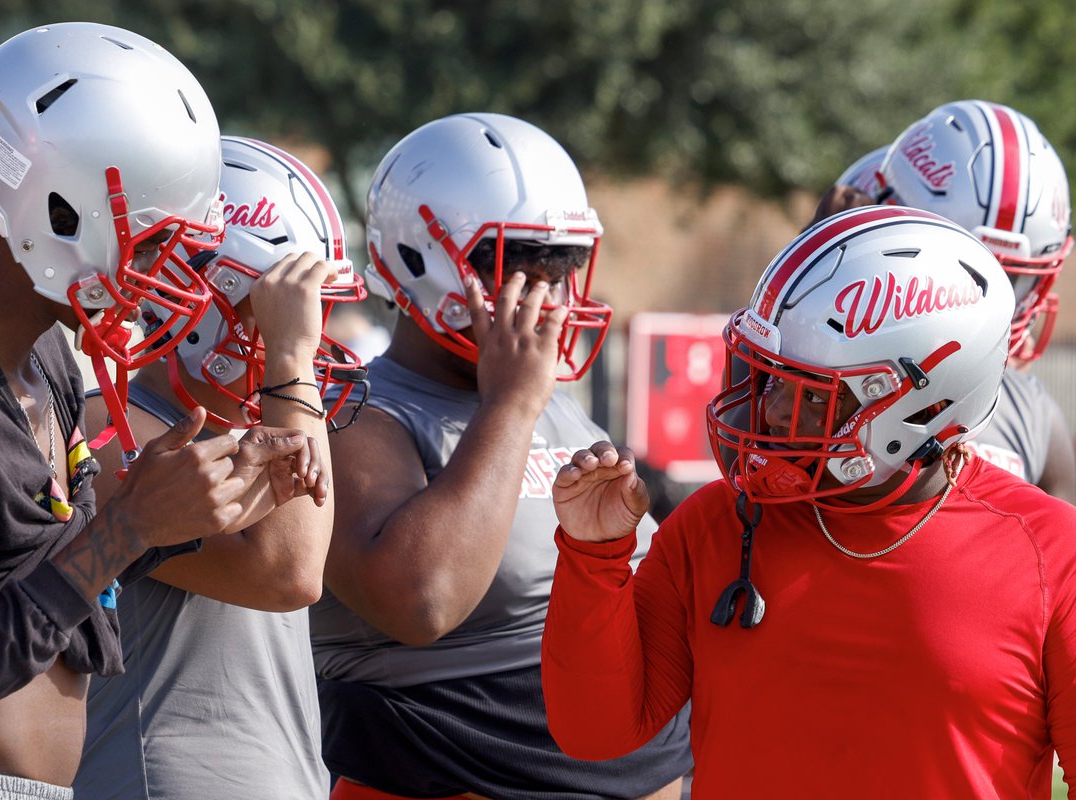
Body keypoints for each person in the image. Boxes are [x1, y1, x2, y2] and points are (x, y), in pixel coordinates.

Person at [0, 23, 302, 800]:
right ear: (61, 214)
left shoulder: (41, 354)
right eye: (154, 242)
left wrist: (180, 508)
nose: (167, 272)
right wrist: (126, 528)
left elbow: (44, 579)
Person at [542, 205, 1076, 799]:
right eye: (772, 377)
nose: (771, 412)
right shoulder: (717, 521)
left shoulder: (1051, 552)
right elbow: (595, 732)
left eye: (812, 395)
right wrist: (595, 557)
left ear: (923, 406)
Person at [312, 112, 692, 800]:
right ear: (420, 260)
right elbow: (421, 602)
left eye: (561, 268)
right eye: (521, 269)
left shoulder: (548, 400)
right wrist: (510, 406)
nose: (549, 297)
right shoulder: (357, 414)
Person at [75, 136, 368, 800]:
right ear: (207, 298)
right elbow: (288, 573)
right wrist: (289, 357)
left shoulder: (252, 426)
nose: (313, 333)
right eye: (285, 308)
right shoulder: (108, 428)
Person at [807, 100, 1076, 503]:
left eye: (1009, 279)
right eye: (965, 276)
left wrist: (812, 259)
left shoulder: (1033, 414)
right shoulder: (813, 391)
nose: (985, 304)